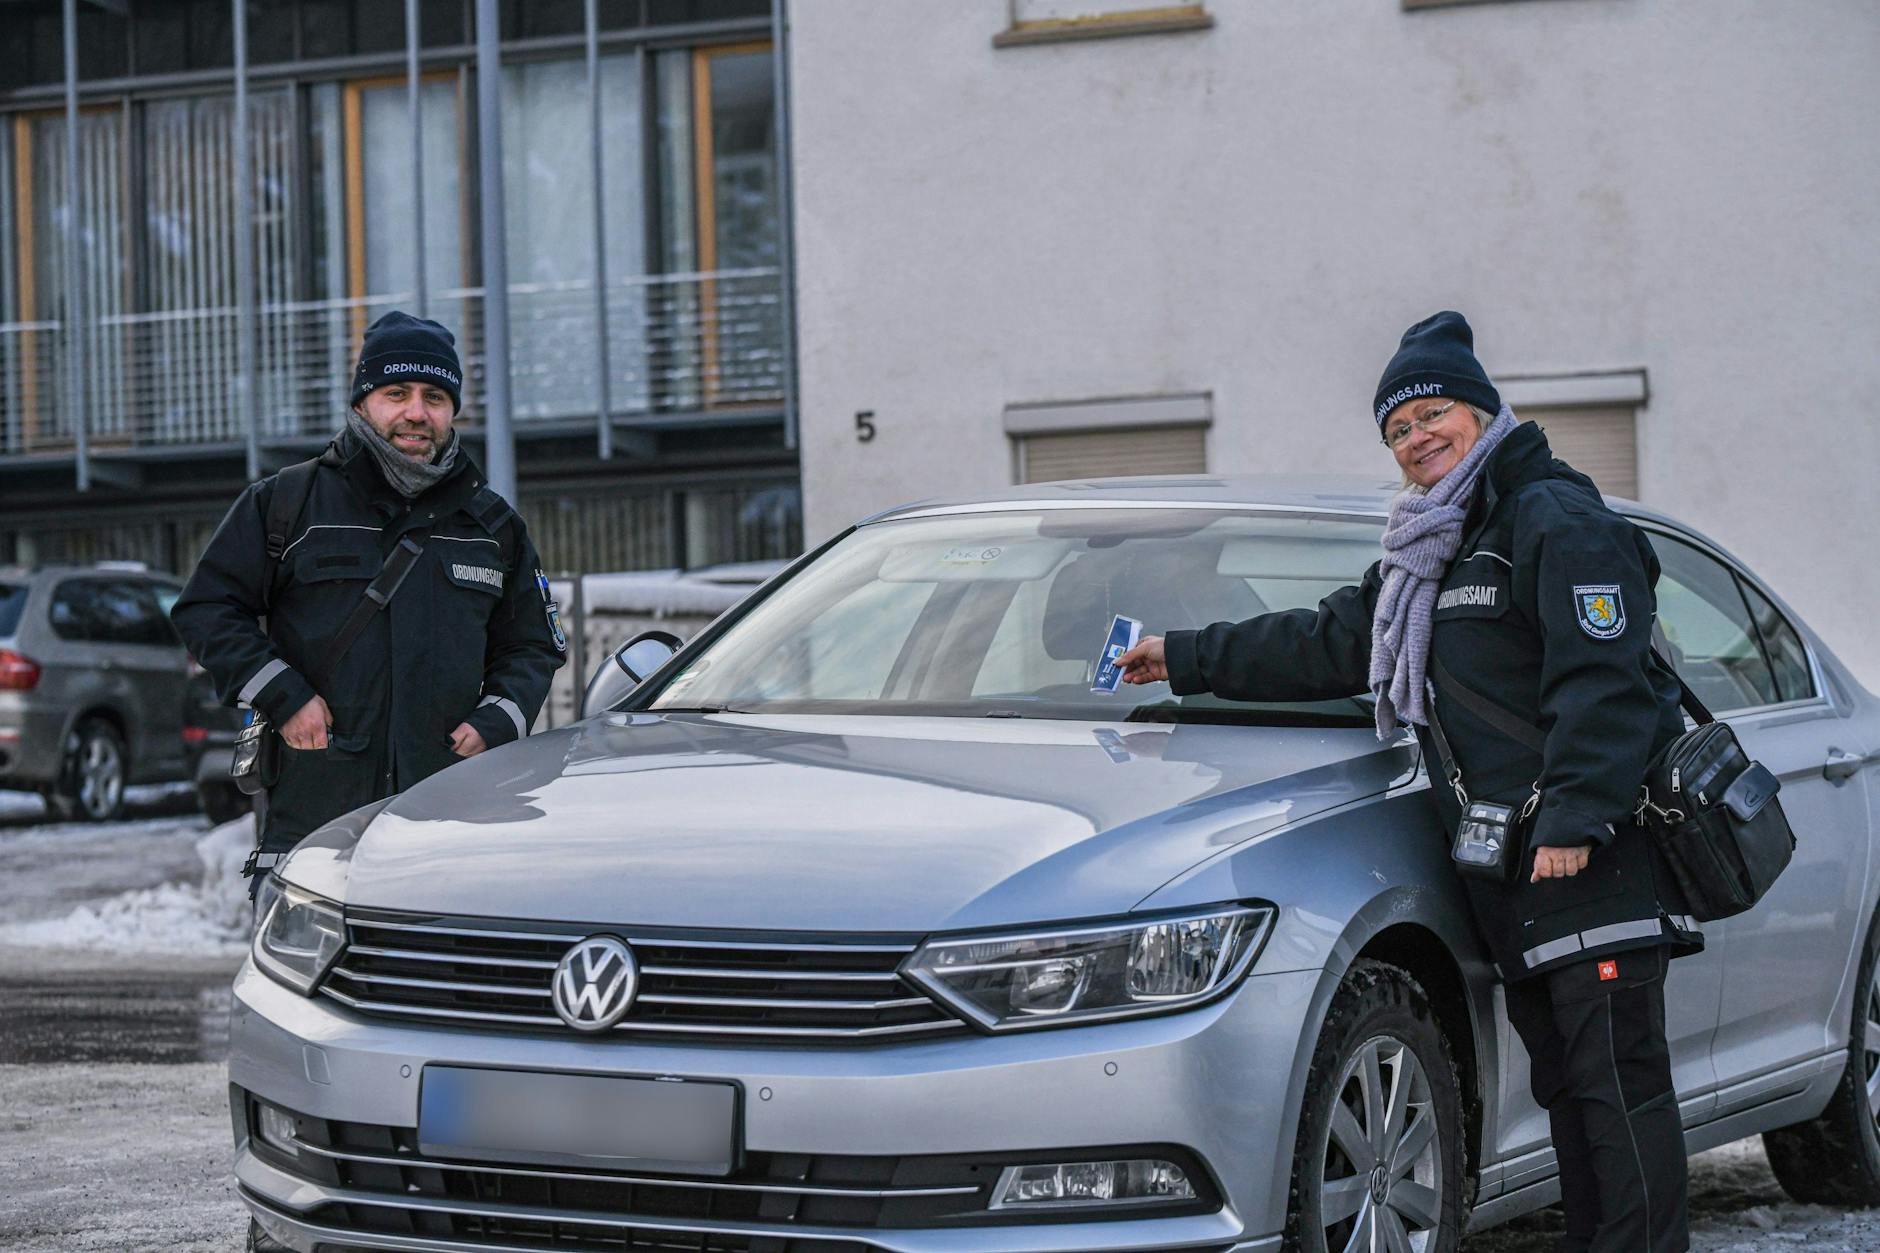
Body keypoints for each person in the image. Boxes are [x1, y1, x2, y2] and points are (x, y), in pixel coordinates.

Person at [1117, 311, 1699, 1252]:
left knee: (1620, 1094)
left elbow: (1606, 678)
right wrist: (1181, 655)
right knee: (1573, 1094)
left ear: (1480, 412)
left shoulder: (1554, 516)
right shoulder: (1436, 548)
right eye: (1397, 428)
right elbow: (1326, 641)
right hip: (1518, 876)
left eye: (1433, 414)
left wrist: (1575, 819)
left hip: (1591, 865)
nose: (1418, 437)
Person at [173, 311, 566, 883]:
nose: (417, 412)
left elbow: (533, 644)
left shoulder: (493, 526)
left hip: (448, 817)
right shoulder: (287, 504)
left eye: (435, 397)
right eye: (396, 393)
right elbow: (208, 608)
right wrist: (283, 696)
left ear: (452, 410)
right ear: (362, 403)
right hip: (314, 817)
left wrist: (498, 720)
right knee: (306, 943)